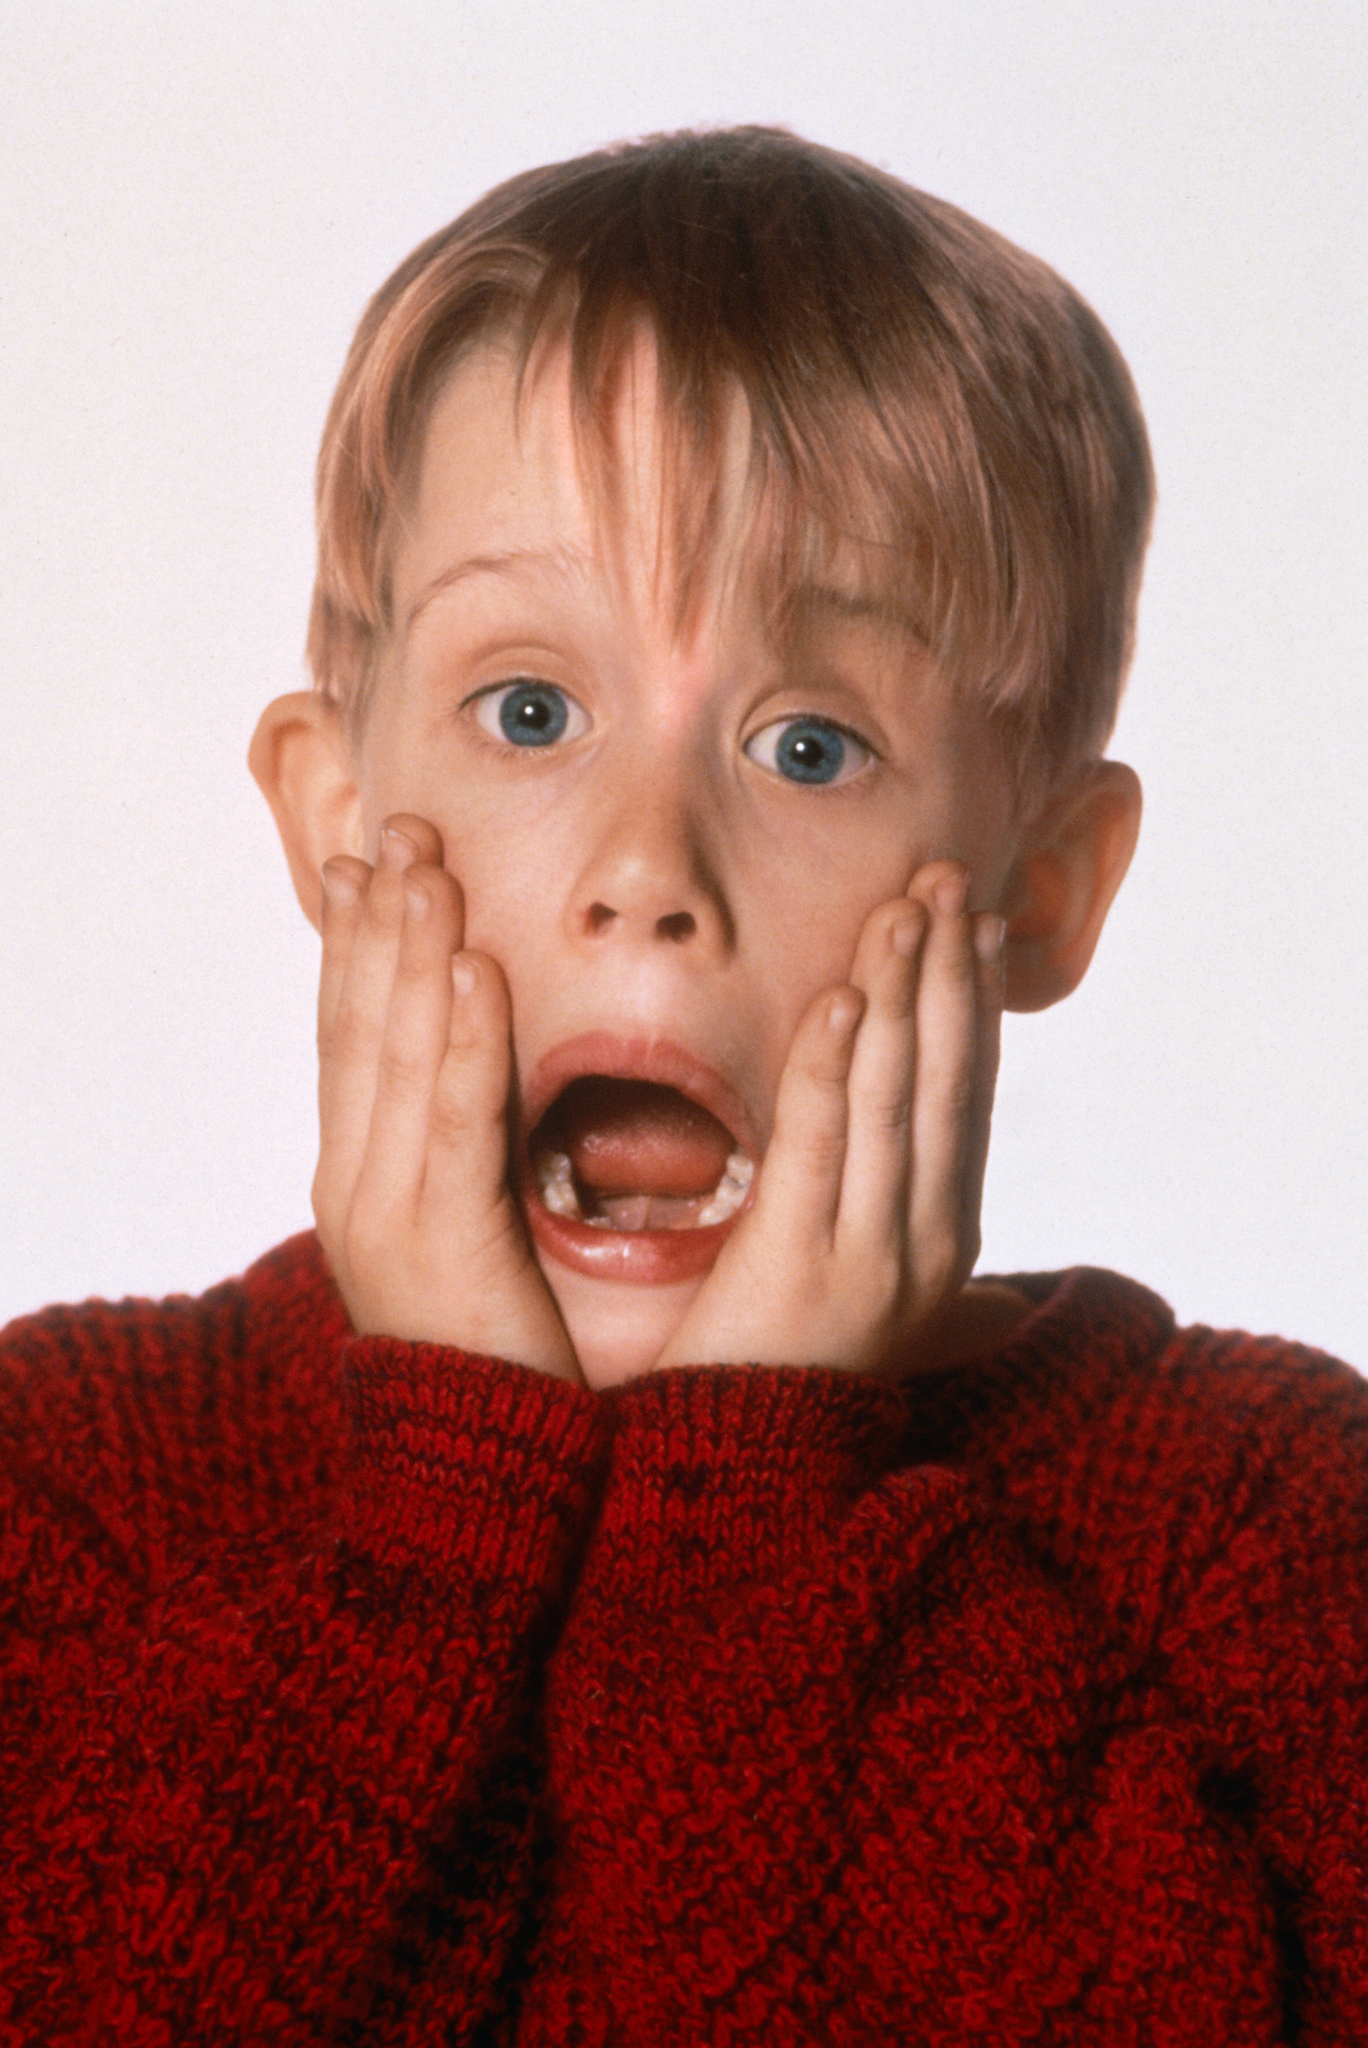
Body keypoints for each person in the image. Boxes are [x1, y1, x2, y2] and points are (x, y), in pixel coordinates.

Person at [1, 127, 1363, 2044]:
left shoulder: (1269, 1525)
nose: (649, 869)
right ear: (335, 816)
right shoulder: (74, 1479)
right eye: (530, 711)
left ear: (1045, 891)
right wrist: (442, 1497)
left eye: (810, 746)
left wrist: (763, 1521)